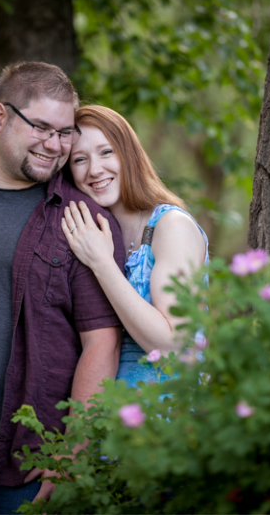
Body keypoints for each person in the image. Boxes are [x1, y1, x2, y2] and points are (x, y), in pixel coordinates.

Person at [0, 62, 125, 513]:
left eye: (65, 132)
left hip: (27, 464)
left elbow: (102, 345)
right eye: (41, 127)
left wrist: (73, 449)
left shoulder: (83, 220)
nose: (55, 145)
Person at [59, 105, 209, 388]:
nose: (95, 169)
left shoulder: (170, 226)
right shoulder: (93, 232)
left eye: (106, 152)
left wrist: (102, 264)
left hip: (172, 415)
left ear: (128, 154)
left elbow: (173, 345)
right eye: (80, 159)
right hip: (111, 418)